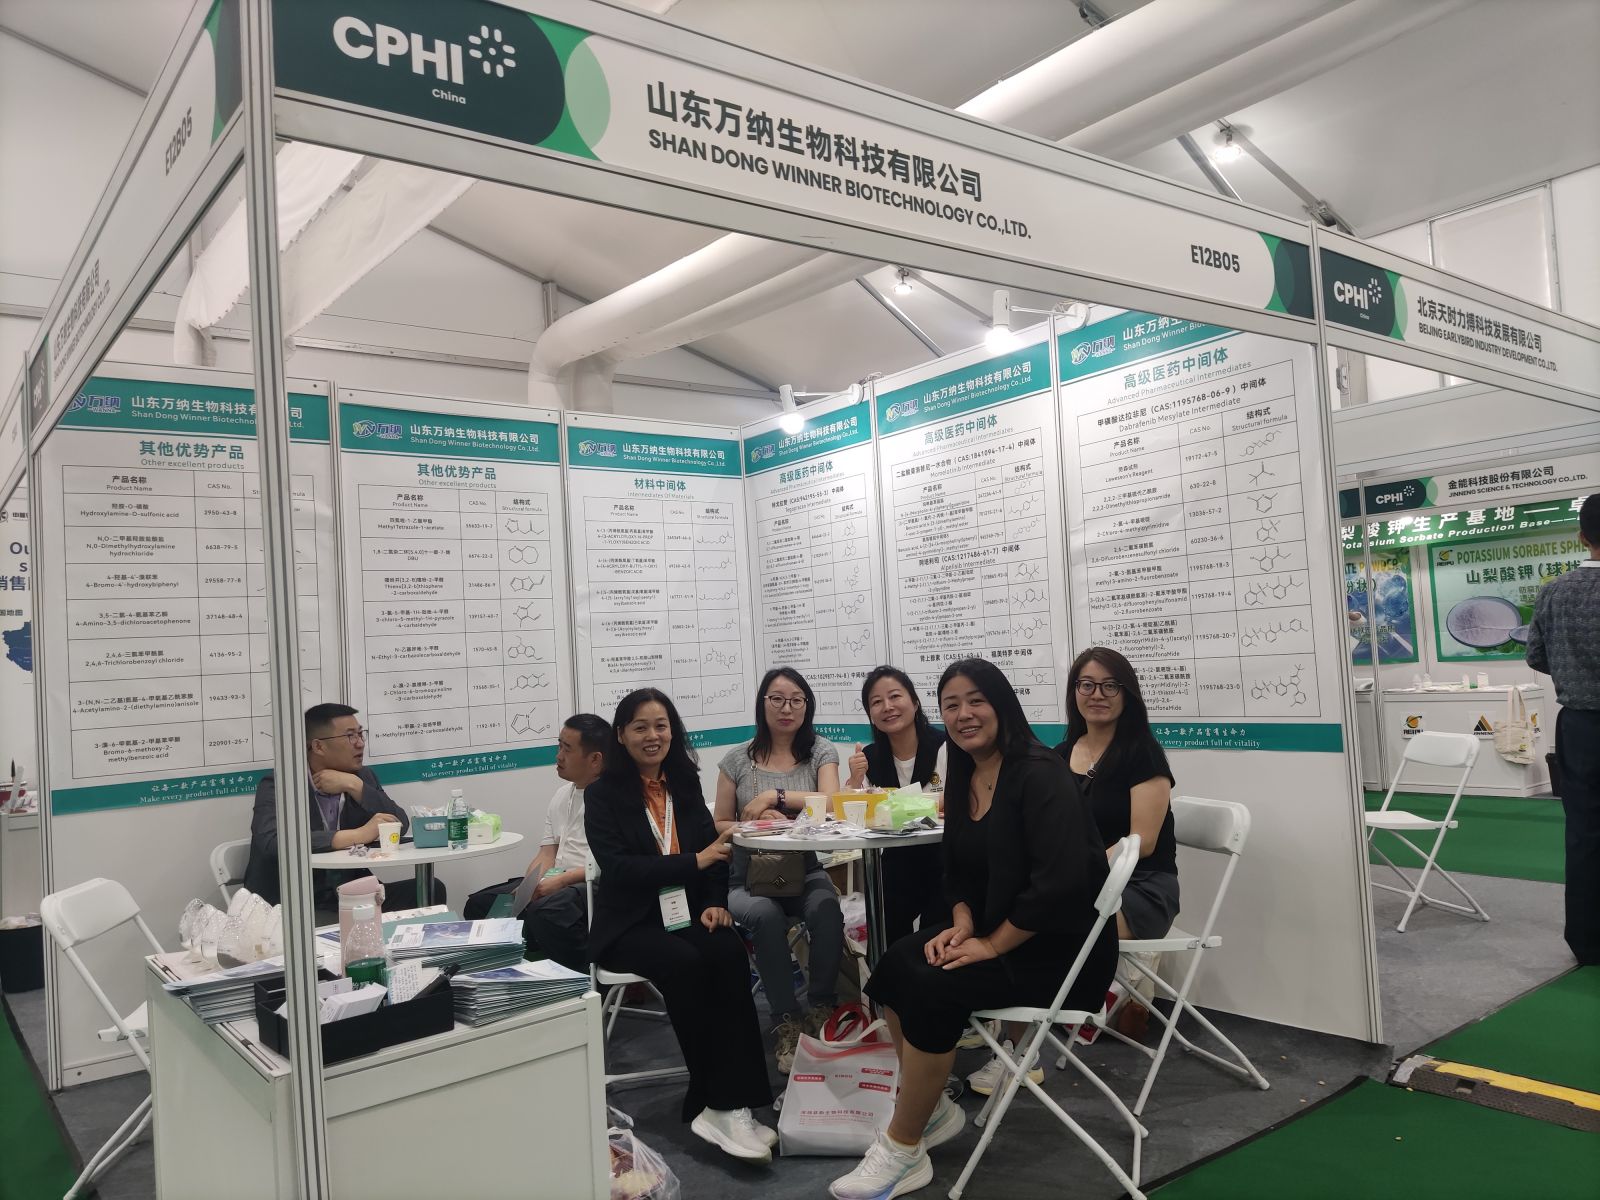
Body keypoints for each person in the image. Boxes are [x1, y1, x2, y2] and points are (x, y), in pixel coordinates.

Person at [832, 658, 1117, 1200]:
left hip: (1058, 949)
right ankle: (934, 1108)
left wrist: (990, 943)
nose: (964, 715)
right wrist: (963, 922)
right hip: (995, 928)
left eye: (976, 701)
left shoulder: (1039, 772)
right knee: (897, 964)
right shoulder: (963, 769)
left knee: (933, 986)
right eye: (952, 705)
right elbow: (956, 868)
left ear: (1001, 704)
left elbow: (1057, 886)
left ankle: (903, 1147)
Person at [585, 688, 776, 1163]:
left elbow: (714, 855)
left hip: (685, 913)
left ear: (673, 730)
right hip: (629, 924)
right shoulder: (602, 795)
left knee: (727, 949)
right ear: (621, 735)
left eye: (661, 725)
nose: (653, 736)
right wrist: (694, 862)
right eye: (641, 727)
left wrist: (714, 904)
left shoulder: (684, 782)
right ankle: (719, 1102)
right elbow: (621, 869)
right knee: (686, 962)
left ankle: (737, 1102)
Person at [715, 667, 845, 1072]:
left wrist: (776, 796)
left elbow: (832, 802)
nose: (787, 708)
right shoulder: (736, 759)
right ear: (763, 703)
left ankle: (822, 1007)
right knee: (766, 917)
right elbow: (719, 822)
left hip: (804, 871)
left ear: (807, 706)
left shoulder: (820, 751)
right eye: (777, 699)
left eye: (796, 700)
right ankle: (787, 1019)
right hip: (747, 878)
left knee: (827, 907)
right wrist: (756, 822)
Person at [1056, 646, 1177, 1038]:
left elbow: (1142, 842)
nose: (1098, 695)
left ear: (1127, 694)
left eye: (1110, 686)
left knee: (1042, 919)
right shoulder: (1060, 754)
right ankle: (1024, 1027)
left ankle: (1080, 1005)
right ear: (1074, 692)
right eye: (1087, 685)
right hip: (1080, 885)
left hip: (1141, 887)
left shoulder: (1143, 755)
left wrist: (1073, 874)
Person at [243, 703, 440, 918]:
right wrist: (358, 835)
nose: (360, 743)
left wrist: (355, 786)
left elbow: (399, 824)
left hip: (351, 895)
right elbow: (273, 841)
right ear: (318, 746)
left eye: (360, 734)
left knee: (430, 891)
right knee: (344, 920)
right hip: (294, 903)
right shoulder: (280, 784)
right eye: (350, 736)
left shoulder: (361, 777)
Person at [461, 714, 609, 972]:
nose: (558, 756)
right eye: (559, 746)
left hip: (592, 884)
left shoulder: (614, 799)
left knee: (548, 911)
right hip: (559, 879)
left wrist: (561, 881)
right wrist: (529, 885)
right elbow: (547, 853)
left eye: (567, 749)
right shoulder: (562, 794)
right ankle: (506, 979)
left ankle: (586, 981)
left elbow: (609, 864)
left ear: (595, 760)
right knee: (481, 904)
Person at [1527, 493, 1600, 966]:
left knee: (1584, 832)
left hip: (1578, 725)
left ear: (1581, 537)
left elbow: (1537, 655)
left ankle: (1589, 942)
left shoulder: (1554, 591)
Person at [845, 666, 949, 940]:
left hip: (946, 858)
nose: (887, 707)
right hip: (896, 860)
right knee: (885, 931)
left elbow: (958, 798)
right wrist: (855, 780)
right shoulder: (869, 757)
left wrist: (892, 804)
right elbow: (857, 813)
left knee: (934, 936)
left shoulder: (946, 745)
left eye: (894, 696)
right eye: (876, 702)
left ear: (914, 702)